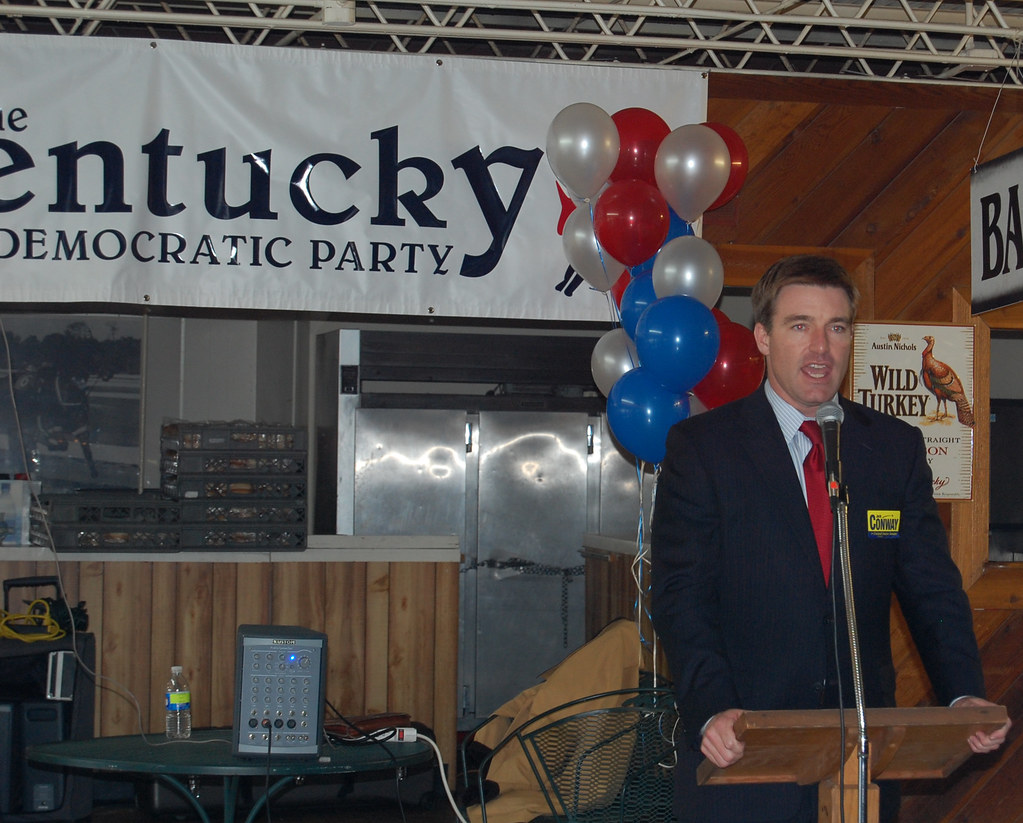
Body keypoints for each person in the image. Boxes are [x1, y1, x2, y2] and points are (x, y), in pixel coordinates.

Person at [650, 254, 1010, 823]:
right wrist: (713, 707)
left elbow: (931, 588)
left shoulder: (891, 448)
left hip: (860, 760)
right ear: (763, 337)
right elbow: (680, 596)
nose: (821, 347)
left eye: (837, 328)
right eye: (800, 326)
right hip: (743, 753)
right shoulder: (705, 448)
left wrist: (963, 695)